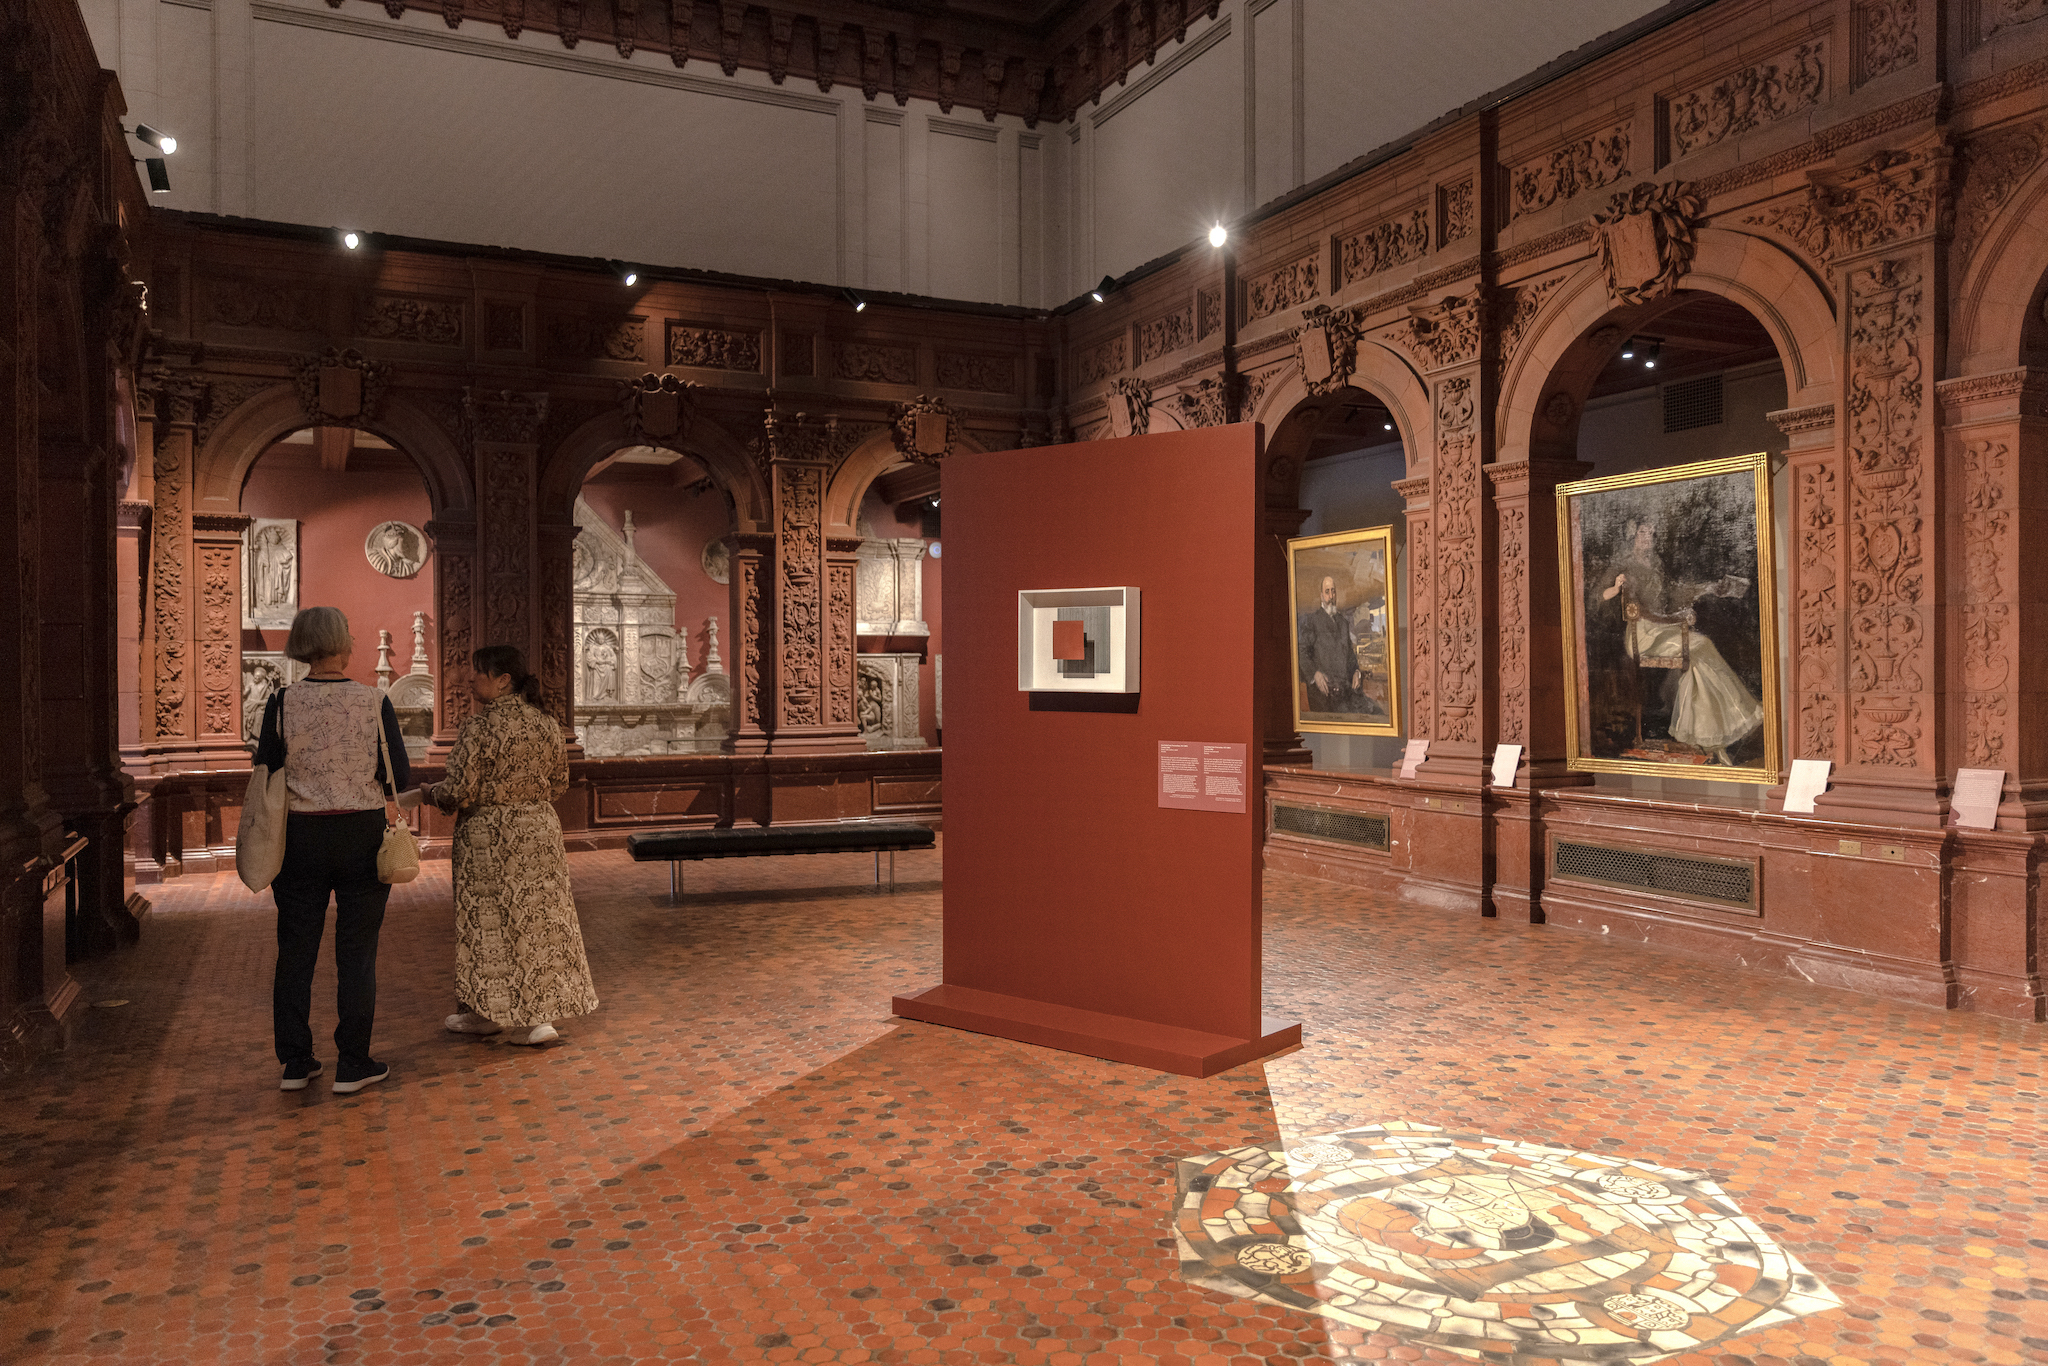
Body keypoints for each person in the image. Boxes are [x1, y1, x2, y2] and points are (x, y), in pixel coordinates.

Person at [254, 606, 410, 1094]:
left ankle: (297, 1062)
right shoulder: (373, 700)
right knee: (357, 952)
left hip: (299, 837)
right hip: (361, 835)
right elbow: (398, 776)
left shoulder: (280, 702)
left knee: (295, 950)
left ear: (301, 645)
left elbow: (266, 768)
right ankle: (353, 1062)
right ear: (343, 645)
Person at [424, 646, 597, 1046]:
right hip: (538, 830)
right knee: (542, 921)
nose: (471, 679)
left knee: (489, 923)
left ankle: (505, 1015)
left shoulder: (479, 728)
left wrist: (434, 794)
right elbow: (559, 783)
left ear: (504, 681)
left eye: (479, 673)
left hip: (489, 836)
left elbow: (459, 790)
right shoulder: (546, 724)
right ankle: (528, 1017)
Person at [1600, 517, 1763, 766]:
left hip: (1664, 629)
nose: (1649, 538)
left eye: (1652, 533)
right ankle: (1712, 733)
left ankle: (1711, 731)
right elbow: (1629, 607)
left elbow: (1673, 590)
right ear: (1632, 536)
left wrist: (1709, 588)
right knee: (1697, 648)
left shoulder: (1655, 563)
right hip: (1643, 636)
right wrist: (1674, 619)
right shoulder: (1627, 566)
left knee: (1702, 647)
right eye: (1644, 533)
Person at [1298, 574, 1366, 713]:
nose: (1331, 596)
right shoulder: (1312, 621)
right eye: (1327, 591)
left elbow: (1350, 655)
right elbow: (1302, 653)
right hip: (1322, 695)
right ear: (1322, 596)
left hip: (1344, 694)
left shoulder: (1343, 623)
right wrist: (1315, 674)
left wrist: (1356, 672)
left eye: (1333, 591)